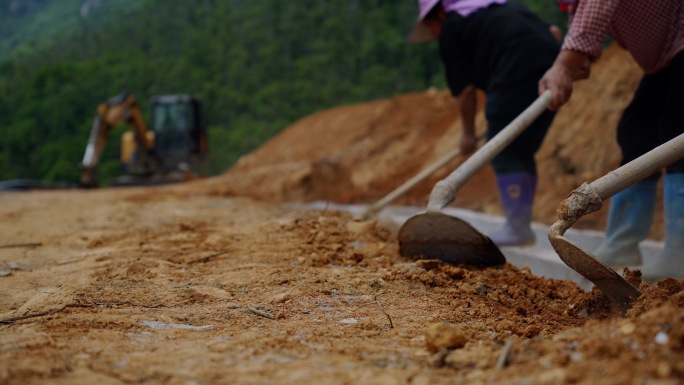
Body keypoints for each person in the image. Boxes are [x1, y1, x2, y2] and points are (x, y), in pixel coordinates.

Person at [538, 0, 684, 281]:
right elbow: (592, 22)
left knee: (677, 127)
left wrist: (564, 64)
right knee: (636, 129)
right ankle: (622, 244)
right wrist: (581, 59)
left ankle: (680, 253)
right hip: (670, 54)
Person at [410, 0, 561, 246]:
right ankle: (520, 225)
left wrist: (468, 134)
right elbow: (554, 32)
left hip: (515, 66)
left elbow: (466, 91)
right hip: (552, 67)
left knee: (503, 150)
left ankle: (517, 227)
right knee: (520, 149)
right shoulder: (503, 8)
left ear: (437, 15)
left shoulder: (452, 29)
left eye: (430, 25)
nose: (434, 34)